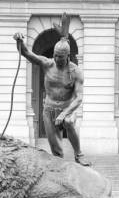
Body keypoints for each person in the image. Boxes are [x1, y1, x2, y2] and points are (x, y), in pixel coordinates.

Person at [13, 30, 91, 166]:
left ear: (67, 56)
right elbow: (26, 53)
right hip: (49, 109)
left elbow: (79, 98)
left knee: (68, 122)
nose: (56, 59)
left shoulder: (76, 72)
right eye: (55, 56)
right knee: (56, 152)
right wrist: (19, 41)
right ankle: (60, 167)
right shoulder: (47, 64)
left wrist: (64, 113)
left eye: (60, 57)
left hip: (68, 108)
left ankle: (79, 154)